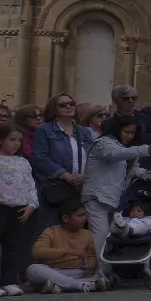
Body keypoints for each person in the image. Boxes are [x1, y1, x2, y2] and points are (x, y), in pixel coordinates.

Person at [0, 127, 38, 298]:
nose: (16, 143)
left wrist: (32, 204)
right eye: (12, 139)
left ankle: (8, 280)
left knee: (13, 245)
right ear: (0, 139)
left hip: (19, 207)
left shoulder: (23, 162)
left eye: (19, 140)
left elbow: (30, 184)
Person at [84, 117, 151, 252]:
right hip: (97, 197)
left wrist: (144, 173)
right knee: (101, 237)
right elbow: (117, 154)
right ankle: (96, 271)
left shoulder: (123, 147)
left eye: (133, 133)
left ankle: (106, 269)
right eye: (126, 132)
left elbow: (126, 169)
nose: (130, 136)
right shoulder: (103, 143)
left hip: (113, 199)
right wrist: (149, 149)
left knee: (109, 237)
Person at [29, 93, 90, 230]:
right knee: (52, 228)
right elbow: (41, 157)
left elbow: (93, 156)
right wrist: (64, 174)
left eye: (71, 103)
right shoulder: (44, 130)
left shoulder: (84, 131)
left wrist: (84, 175)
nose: (69, 106)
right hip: (56, 185)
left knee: (75, 230)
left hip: (80, 187)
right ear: (54, 109)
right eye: (63, 105)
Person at [26, 201, 107, 293]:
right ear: (65, 218)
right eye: (79, 216)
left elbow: (91, 254)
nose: (84, 218)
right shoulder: (51, 232)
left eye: (85, 215)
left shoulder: (87, 234)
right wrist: (68, 252)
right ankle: (80, 285)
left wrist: (91, 265)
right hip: (54, 272)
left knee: (102, 270)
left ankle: (59, 286)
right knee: (33, 269)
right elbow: (37, 252)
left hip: (78, 273)